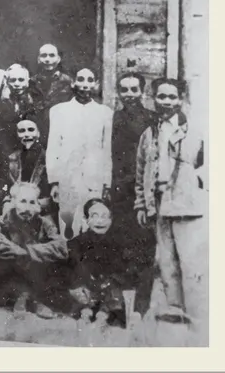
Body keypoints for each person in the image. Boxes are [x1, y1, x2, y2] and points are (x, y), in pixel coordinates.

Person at [134, 78, 206, 326]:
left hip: (187, 205)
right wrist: (142, 204)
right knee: (166, 261)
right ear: (153, 99)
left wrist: (197, 185)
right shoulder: (149, 133)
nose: (166, 102)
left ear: (181, 99)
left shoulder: (194, 130)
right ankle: (175, 309)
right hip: (159, 202)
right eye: (161, 96)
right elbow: (140, 170)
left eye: (172, 97)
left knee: (190, 260)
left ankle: (198, 316)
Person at [108, 72, 157, 317]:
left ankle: (141, 307)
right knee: (118, 246)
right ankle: (118, 307)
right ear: (118, 92)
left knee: (144, 247)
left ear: (142, 91)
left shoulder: (152, 119)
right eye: (124, 90)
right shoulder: (112, 118)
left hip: (142, 192)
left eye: (134, 89)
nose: (129, 95)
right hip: (117, 192)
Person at [46, 67, 114, 238]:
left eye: (90, 80)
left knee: (92, 223)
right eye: (81, 79)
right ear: (74, 82)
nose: (85, 85)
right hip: (67, 178)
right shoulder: (59, 111)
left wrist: (106, 181)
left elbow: (107, 150)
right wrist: (54, 181)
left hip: (94, 178)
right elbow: (53, 147)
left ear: (96, 84)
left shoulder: (105, 113)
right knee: (68, 225)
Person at [0, 182, 68, 318]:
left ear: (37, 205)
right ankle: (22, 297)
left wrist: (30, 252)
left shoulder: (44, 223)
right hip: (10, 276)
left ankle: (33, 298)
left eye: (32, 202)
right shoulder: (1, 222)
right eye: (23, 201)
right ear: (13, 202)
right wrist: (21, 253)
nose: (27, 208)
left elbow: (61, 247)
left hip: (37, 275)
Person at [67, 198, 138, 326]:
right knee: (80, 295)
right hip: (87, 288)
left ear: (111, 220)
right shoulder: (76, 243)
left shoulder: (118, 243)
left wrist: (109, 282)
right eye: (95, 216)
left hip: (109, 289)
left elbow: (124, 270)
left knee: (115, 295)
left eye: (105, 216)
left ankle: (103, 315)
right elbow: (73, 268)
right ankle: (85, 314)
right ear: (86, 219)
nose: (100, 221)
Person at [0, 63, 44, 155]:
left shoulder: (37, 102)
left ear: (27, 81)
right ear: (7, 82)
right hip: (9, 150)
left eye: (21, 80)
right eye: (13, 80)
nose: (17, 84)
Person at [33, 43, 74, 111]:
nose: (47, 59)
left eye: (52, 55)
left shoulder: (68, 81)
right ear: (38, 59)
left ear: (58, 59)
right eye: (44, 55)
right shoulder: (32, 82)